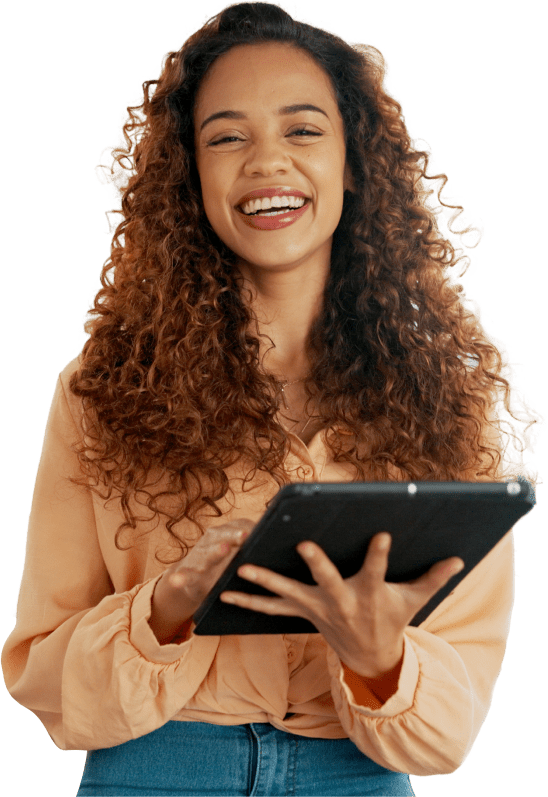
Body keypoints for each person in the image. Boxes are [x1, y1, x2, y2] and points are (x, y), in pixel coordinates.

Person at [0, 2, 529, 795]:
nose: (266, 161)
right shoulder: (96, 393)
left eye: (303, 129)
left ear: (353, 161)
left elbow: (451, 733)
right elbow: (42, 679)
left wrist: (382, 657)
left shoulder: (452, 399)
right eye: (226, 136)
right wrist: (168, 608)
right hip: (157, 768)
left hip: (358, 776)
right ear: (192, 176)